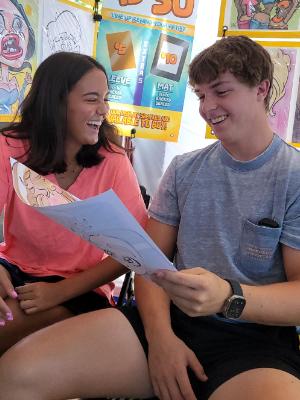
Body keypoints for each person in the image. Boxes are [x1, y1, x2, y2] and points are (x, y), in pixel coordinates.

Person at [0, 35, 300, 400]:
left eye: (221, 92)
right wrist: (161, 341)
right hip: (163, 322)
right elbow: (146, 262)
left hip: (254, 341)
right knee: (17, 375)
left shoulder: (292, 177)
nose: (208, 107)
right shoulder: (183, 169)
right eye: (201, 95)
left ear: (262, 89)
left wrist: (228, 296)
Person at [0, 51, 147, 354]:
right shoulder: (10, 145)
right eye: (92, 99)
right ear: (55, 101)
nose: (104, 110)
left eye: (106, 99)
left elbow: (138, 250)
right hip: (13, 272)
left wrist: (60, 292)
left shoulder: (113, 161)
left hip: (80, 288)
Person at [0, 0, 35, 114]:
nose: (11, 32)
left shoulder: (14, 79)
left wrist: (26, 84)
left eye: (18, 25)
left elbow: (20, 102)